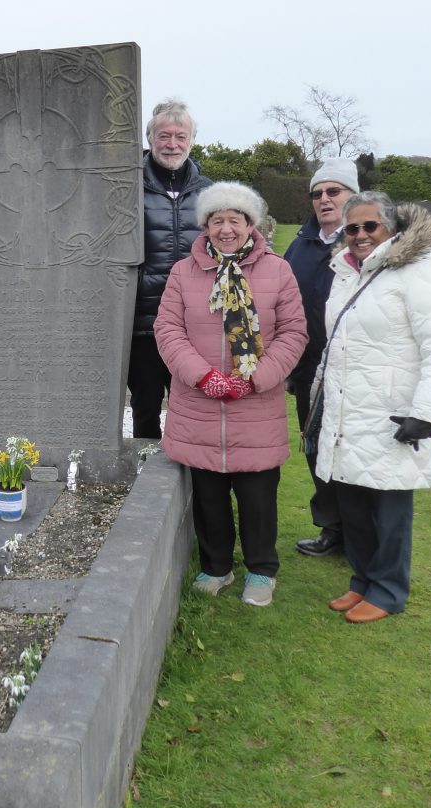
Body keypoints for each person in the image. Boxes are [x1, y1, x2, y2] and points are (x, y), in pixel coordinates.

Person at [155, 182, 307, 606]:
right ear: (205, 226)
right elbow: (168, 330)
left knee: (258, 496)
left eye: (234, 220)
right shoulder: (184, 273)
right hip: (199, 405)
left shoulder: (278, 271)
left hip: (255, 405)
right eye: (217, 220)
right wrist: (204, 377)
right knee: (209, 496)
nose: (226, 229)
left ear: (250, 224)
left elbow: (294, 332)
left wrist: (255, 377)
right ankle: (217, 565)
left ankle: (261, 570)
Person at [315, 192, 431, 623]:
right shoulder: (348, 273)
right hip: (349, 406)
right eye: (352, 228)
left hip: (394, 409)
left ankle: (389, 589)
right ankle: (362, 581)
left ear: (391, 228)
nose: (359, 236)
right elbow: (339, 340)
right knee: (354, 499)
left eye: (369, 226)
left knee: (388, 506)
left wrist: (428, 411)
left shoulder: (416, 272)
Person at [284, 157, 359, 557]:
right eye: (317, 193)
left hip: (355, 368)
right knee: (317, 449)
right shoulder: (300, 244)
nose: (325, 199)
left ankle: (361, 533)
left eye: (334, 191)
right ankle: (332, 529)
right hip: (310, 366)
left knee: (353, 450)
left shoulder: (364, 241)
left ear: (352, 195)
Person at [130, 98, 212, 439]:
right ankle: (146, 483)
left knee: (192, 408)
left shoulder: (207, 192)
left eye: (181, 136)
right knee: (145, 407)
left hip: (192, 324)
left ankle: (190, 484)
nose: (172, 144)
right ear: (150, 139)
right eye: (164, 136)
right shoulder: (129, 186)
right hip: (142, 324)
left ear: (191, 140)